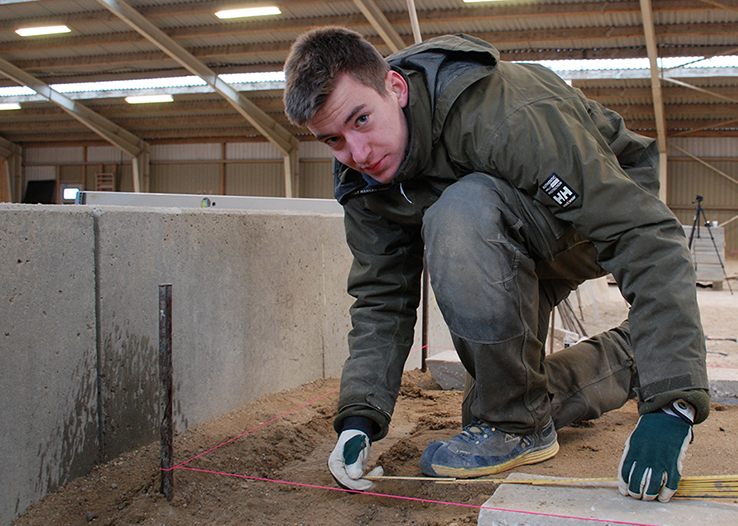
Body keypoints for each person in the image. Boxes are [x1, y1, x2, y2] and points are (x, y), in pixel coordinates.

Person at [283, 26, 710, 502]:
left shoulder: (503, 115)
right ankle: (625, 361)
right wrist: (359, 416)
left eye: (361, 120)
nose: (356, 154)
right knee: (498, 401)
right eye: (333, 141)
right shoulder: (362, 180)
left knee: (459, 211)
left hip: (590, 209)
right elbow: (382, 296)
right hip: (500, 237)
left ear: (396, 89)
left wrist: (671, 404)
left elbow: (641, 230)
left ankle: (520, 422)